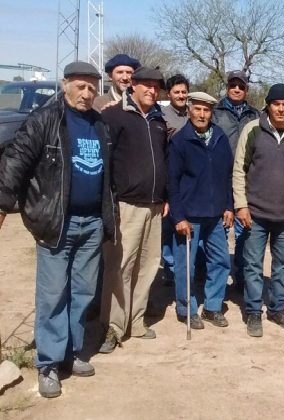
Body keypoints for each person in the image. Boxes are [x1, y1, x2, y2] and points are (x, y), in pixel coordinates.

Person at [0, 62, 115, 398]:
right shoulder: (44, 121)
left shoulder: (99, 125)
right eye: (80, 86)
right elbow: (15, 162)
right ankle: (48, 363)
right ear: (65, 85)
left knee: (82, 293)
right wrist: (3, 204)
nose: (87, 93)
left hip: (92, 223)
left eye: (92, 87)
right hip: (56, 223)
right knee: (52, 296)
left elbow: (108, 177)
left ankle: (72, 353)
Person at [233, 84, 284, 337]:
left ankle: (277, 309)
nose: (281, 108)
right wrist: (241, 205)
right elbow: (239, 170)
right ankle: (254, 312)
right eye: (276, 104)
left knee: (281, 266)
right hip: (255, 214)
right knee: (253, 265)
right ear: (268, 105)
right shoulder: (253, 130)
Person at [99, 66, 169, 353]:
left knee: (148, 265)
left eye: (156, 87)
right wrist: (109, 201)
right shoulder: (115, 116)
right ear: (134, 86)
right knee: (121, 267)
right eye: (147, 86)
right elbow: (106, 161)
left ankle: (136, 320)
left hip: (154, 206)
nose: (152, 91)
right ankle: (113, 327)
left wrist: (166, 197)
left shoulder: (158, 120)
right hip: (126, 205)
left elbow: (163, 160)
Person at [168, 91, 233, 330]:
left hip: (215, 215)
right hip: (189, 216)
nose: (202, 114)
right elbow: (172, 183)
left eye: (206, 110)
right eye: (197, 109)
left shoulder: (220, 137)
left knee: (221, 262)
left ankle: (213, 307)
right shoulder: (179, 141)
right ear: (189, 110)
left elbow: (226, 175)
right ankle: (187, 308)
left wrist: (229, 205)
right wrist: (179, 216)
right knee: (187, 266)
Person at [212, 70, 260, 287]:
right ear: (227, 87)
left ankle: (241, 276)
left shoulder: (256, 115)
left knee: (245, 230)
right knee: (218, 231)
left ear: (246, 89)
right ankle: (216, 278)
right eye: (233, 85)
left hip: (247, 180)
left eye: (241, 86)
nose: (237, 89)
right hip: (221, 179)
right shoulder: (216, 113)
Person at [161, 73, 190, 285]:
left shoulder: (193, 114)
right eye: (176, 92)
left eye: (183, 92)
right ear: (169, 94)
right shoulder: (162, 116)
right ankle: (170, 270)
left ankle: (187, 269)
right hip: (169, 175)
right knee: (168, 225)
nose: (180, 95)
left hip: (189, 179)